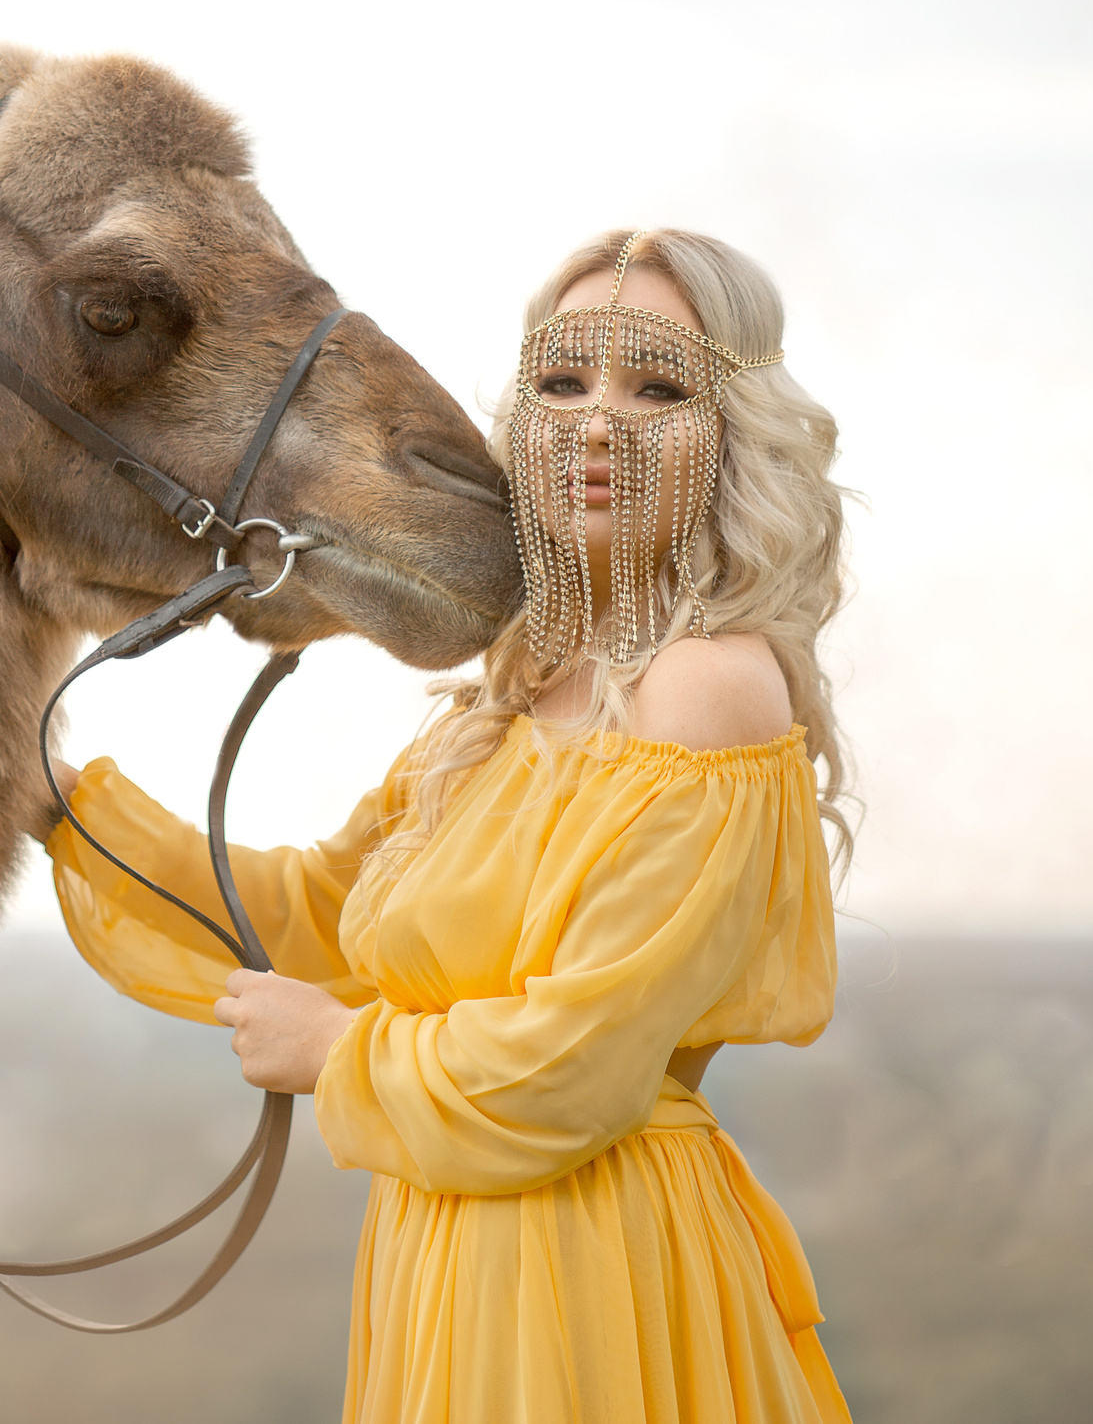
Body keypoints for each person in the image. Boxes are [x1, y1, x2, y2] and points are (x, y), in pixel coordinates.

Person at [46, 229, 853, 1423]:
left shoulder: (708, 687)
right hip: (448, 1253)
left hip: (594, 1273)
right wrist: (55, 809)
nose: (596, 425)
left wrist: (337, 1054)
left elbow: (576, 1065)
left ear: (737, 432)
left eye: (658, 387)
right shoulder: (512, 692)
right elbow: (315, 920)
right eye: (562, 383)